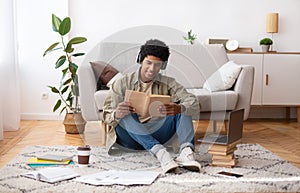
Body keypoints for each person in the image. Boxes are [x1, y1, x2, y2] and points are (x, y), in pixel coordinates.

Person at [103, 39, 201, 173]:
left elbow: (192, 101)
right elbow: (106, 113)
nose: (152, 69)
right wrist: (116, 113)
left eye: (157, 65)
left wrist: (180, 108)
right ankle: (162, 155)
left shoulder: (168, 83)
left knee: (183, 108)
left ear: (163, 66)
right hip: (129, 139)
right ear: (140, 60)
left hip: (158, 133)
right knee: (126, 112)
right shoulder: (122, 83)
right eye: (148, 63)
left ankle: (186, 153)